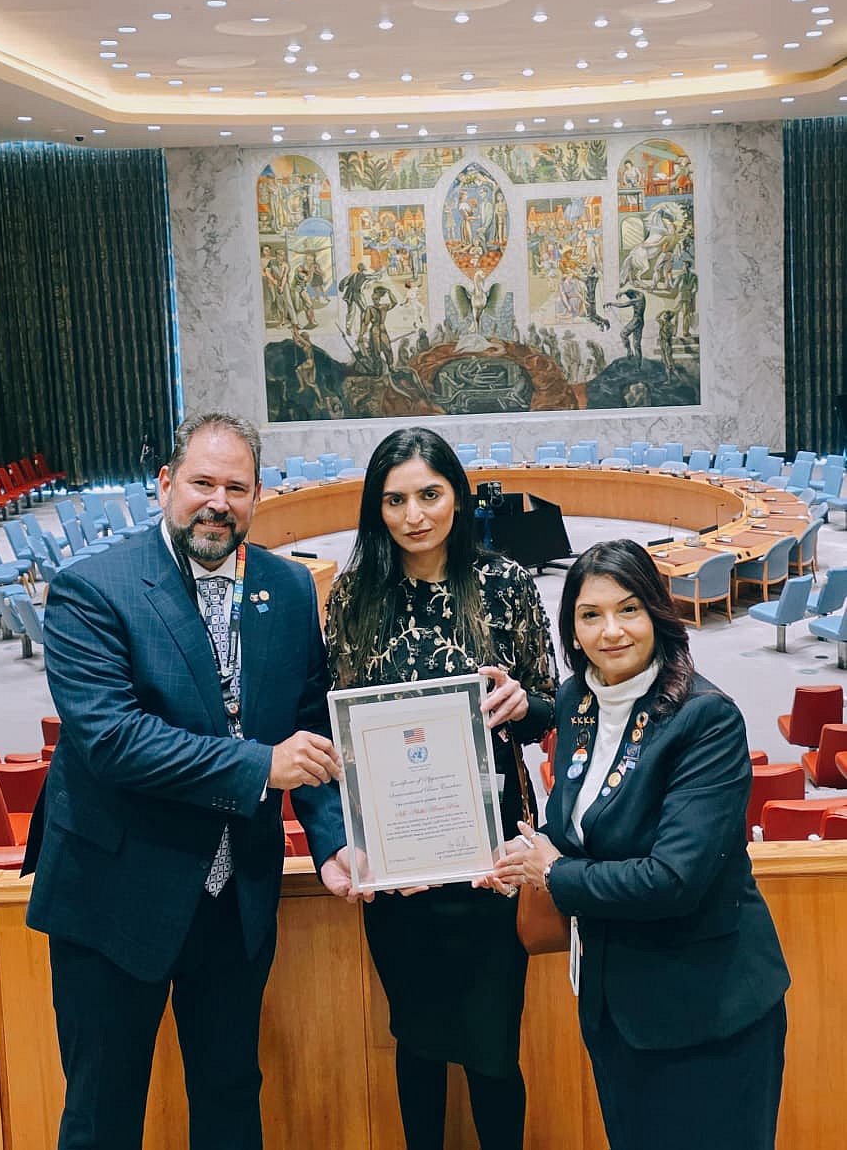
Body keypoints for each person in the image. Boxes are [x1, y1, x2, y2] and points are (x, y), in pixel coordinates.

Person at [26, 411, 353, 1150]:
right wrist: (257, 764)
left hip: (232, 901)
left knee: (232, 1097)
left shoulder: (290, 589)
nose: (218, 501)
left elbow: (310, 724)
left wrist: (332, 841)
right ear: (165, 484)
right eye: (202, 482)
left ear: (258, 495)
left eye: (236, 487)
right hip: (114, 896)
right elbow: (112, 741)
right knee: (103, 1114)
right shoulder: (90, 590)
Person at [493, 540, 789, 1150]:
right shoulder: (578, 702)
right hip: (615, 1007)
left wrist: (555, 876)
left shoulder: (705, 720)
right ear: (570, 628)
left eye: (628, 610)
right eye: (590, 615)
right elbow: (573, 822)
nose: (611, 632)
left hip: (706, 1014)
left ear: (657, 612)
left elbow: (673, 879)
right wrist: (527, 856)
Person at [325, 427, 557, 1150]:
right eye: (395, 500)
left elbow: (553, 705)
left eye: (430, 494)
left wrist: (523, 706)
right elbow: (340, 724)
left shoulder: (507, 583)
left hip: (494, 860)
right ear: (376, 507)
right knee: (417, 1042)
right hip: (402, 864)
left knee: (493, 1049)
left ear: (457, 495)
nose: (414, 515)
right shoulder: (352, 595)